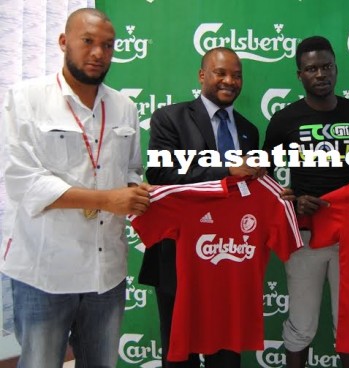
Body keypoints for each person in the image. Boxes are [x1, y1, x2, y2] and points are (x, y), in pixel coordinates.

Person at [0, 8, 152, 368]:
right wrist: (107, 199)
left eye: (108, 46)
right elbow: (24, 181)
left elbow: (130, 167)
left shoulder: (125, 106)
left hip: (106, 274)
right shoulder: (25, 98)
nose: (98, 53)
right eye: (88, 42)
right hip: (44, 274)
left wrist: (135, 191)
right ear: (64, 41)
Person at [138, 47, 263, 368]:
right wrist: (227, 169)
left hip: (229, 260)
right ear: (202, 75)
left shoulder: (249, 129)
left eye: (237, 75)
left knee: (227, 355)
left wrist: (274, 192)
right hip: (178, 259)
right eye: (221, 73)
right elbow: (162, 175)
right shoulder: (170, 118)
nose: (230, 81)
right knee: (180, 356)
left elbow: (248, 188)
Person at [262, 36, 349, 368]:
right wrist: (294, 201)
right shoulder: (284, 121)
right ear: (299, 74)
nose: (320, 74)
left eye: (326, 66)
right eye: (311, 68)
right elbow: (265, 182)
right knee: (300, 325)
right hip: (305, 235)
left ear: (336, 69)